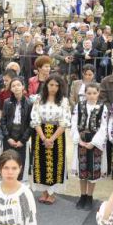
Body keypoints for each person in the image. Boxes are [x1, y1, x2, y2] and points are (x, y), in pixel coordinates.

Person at [30, 74, 71, 204]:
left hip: (57, 135)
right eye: (51, 85)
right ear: (46, 85)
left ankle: (52, 193)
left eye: (56, 85)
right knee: (40, 163)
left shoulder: (64, 101)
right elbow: (35, 119)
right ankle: (43, 192)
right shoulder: (38, 99)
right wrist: (44, 138)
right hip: (40, 134)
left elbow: (65, 122)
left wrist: (51, 139)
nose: (53, 88)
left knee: (55, 163)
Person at [71, 83, 109, 210]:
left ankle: (89, 196)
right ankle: (82, 195)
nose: (91, 96)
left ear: (98, 93)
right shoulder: (79, 105)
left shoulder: (103, 107)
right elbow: (74, 122)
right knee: (82, 170)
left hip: (95, 141)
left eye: (94, 93)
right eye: (89, 93)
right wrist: (78, 140)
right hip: (82, 139)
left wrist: (93, 143)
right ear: (85, 94)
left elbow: (104, 127)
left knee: (93, 170)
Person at [0, 78, 33, 182]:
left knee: (19, 162)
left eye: (18, 85)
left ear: (23, 87)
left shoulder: (30, 103)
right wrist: (7, 137)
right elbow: (3, 121)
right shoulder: (7, 102)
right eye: (13, 86)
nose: (16, 87)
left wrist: (23, 140)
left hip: (21, 137)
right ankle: (6, 183)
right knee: (7, 160)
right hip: (9, 136)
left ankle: (17, 184)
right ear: (11, 88)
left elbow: (31, 123)